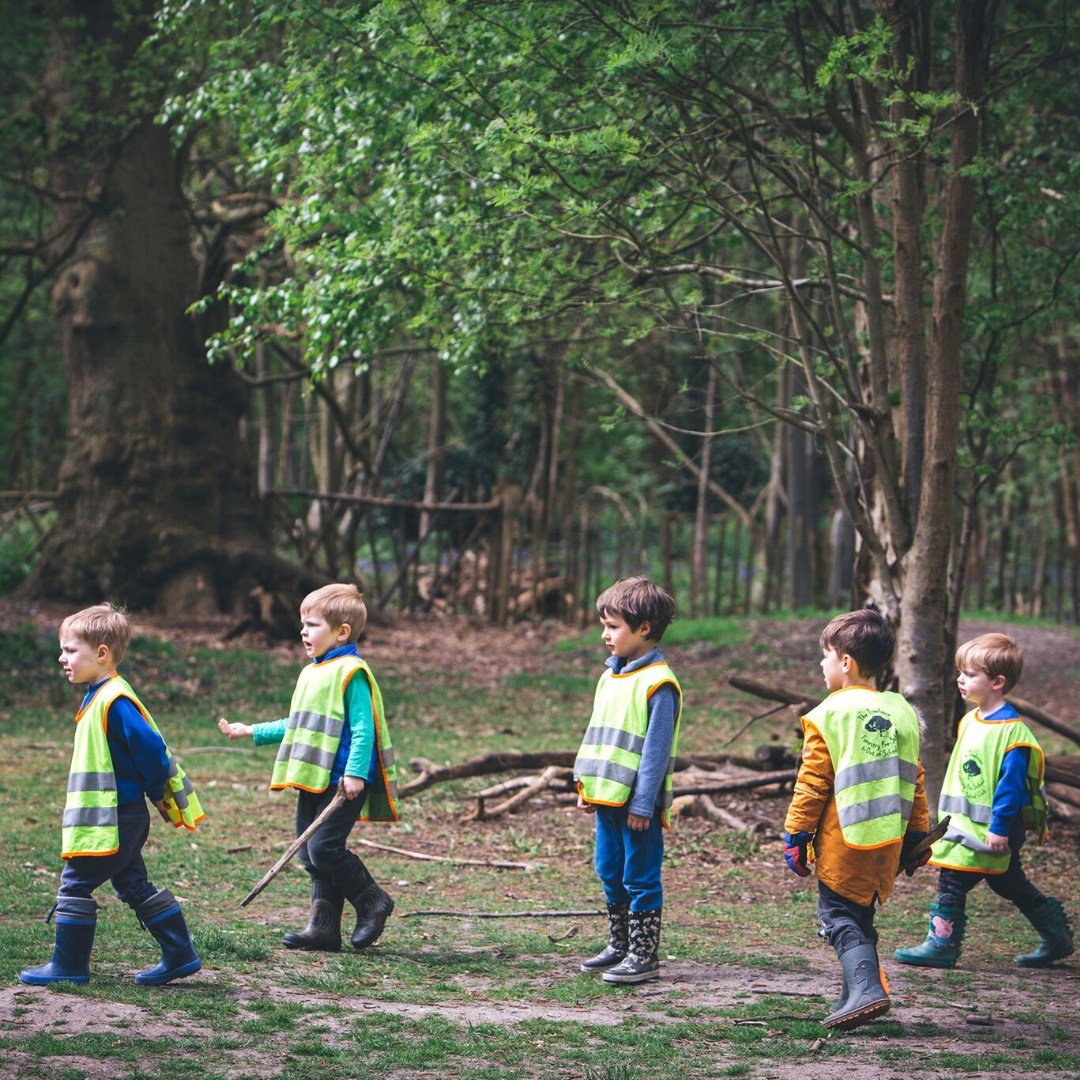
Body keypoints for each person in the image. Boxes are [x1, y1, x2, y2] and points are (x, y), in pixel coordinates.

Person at [20, 604, 204, 986]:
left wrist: (157, 791)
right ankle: (180, 954)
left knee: (74, 883)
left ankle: (68, 966)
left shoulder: (114, 701)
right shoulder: (99, 695)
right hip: (121, 816)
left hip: (118, 817)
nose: (62, 657)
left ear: (101, 654)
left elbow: (152, 752)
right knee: (132, 883)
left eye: (70, 650)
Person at [219, 583, 398, 951]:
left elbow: (365, 728)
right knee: (309, 853)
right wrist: (251, 730)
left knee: (324, 848)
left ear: (341, 632)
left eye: (312, 624)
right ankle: (323, 928)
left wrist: (354, 773)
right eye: (303, 623)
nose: (303, 631)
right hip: (312, 778)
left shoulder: (352, 672)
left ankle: (372, 901)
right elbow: (297, 723)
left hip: (340, 783)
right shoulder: (313, 672)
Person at [783, 608, 929, 1031]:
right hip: (890, 840)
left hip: (844, 839)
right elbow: (915, 778)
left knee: (837, 916)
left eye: (825, 656)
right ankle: (855, 993)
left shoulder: (829, 714)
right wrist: (919, 834)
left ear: (845, 662)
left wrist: (797, 834)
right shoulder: (902, 712)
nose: (822, 665)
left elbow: (812, 784)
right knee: (860, 914)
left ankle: (867, 989)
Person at [895, 632, 1073, 969]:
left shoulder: (1013, 736)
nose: (960, 679)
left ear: (997, 682)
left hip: (993, 830)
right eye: (960, 672)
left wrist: (999, 828)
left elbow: (1011, 789)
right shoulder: (970, 720)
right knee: (1009, 883)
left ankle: (942, 944)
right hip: (966, 827)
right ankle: (1056, 935)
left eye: (970, 674)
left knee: (952, 879)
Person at [573, 577, 682, 985]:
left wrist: (642, 805)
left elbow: (655, 754)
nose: (605, 635)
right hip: (606, 798)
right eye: (604, 625)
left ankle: (643, 954)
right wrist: (585, 784)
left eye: (613, 626)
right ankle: (619, 944)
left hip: (638, 807)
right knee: (609, 868)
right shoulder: (610, 677)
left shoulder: (659, 684)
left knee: (640, 874)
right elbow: (596, 734)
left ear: (644, 628)